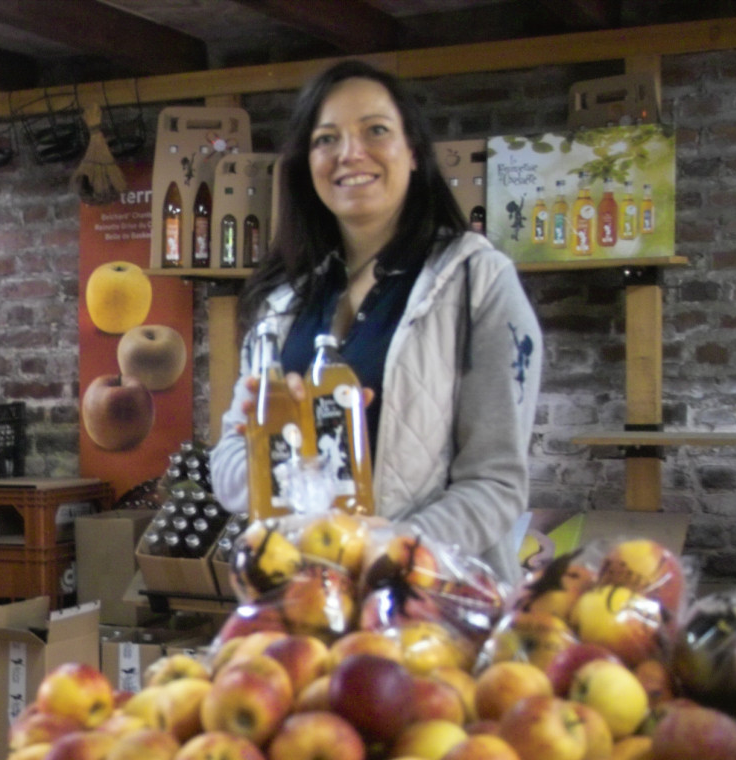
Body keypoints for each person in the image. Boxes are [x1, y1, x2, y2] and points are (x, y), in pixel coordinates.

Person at [208, 60, 543, 585]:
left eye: (376, 131)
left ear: (413, 153)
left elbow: (495, 485)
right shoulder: (284, 301)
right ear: (306, 163)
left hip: (435, 610)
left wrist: (383, 554)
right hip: (298, 603)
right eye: (326, 139)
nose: (350, 153)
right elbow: (227, 474)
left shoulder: (476, 281)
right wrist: (268, 443)